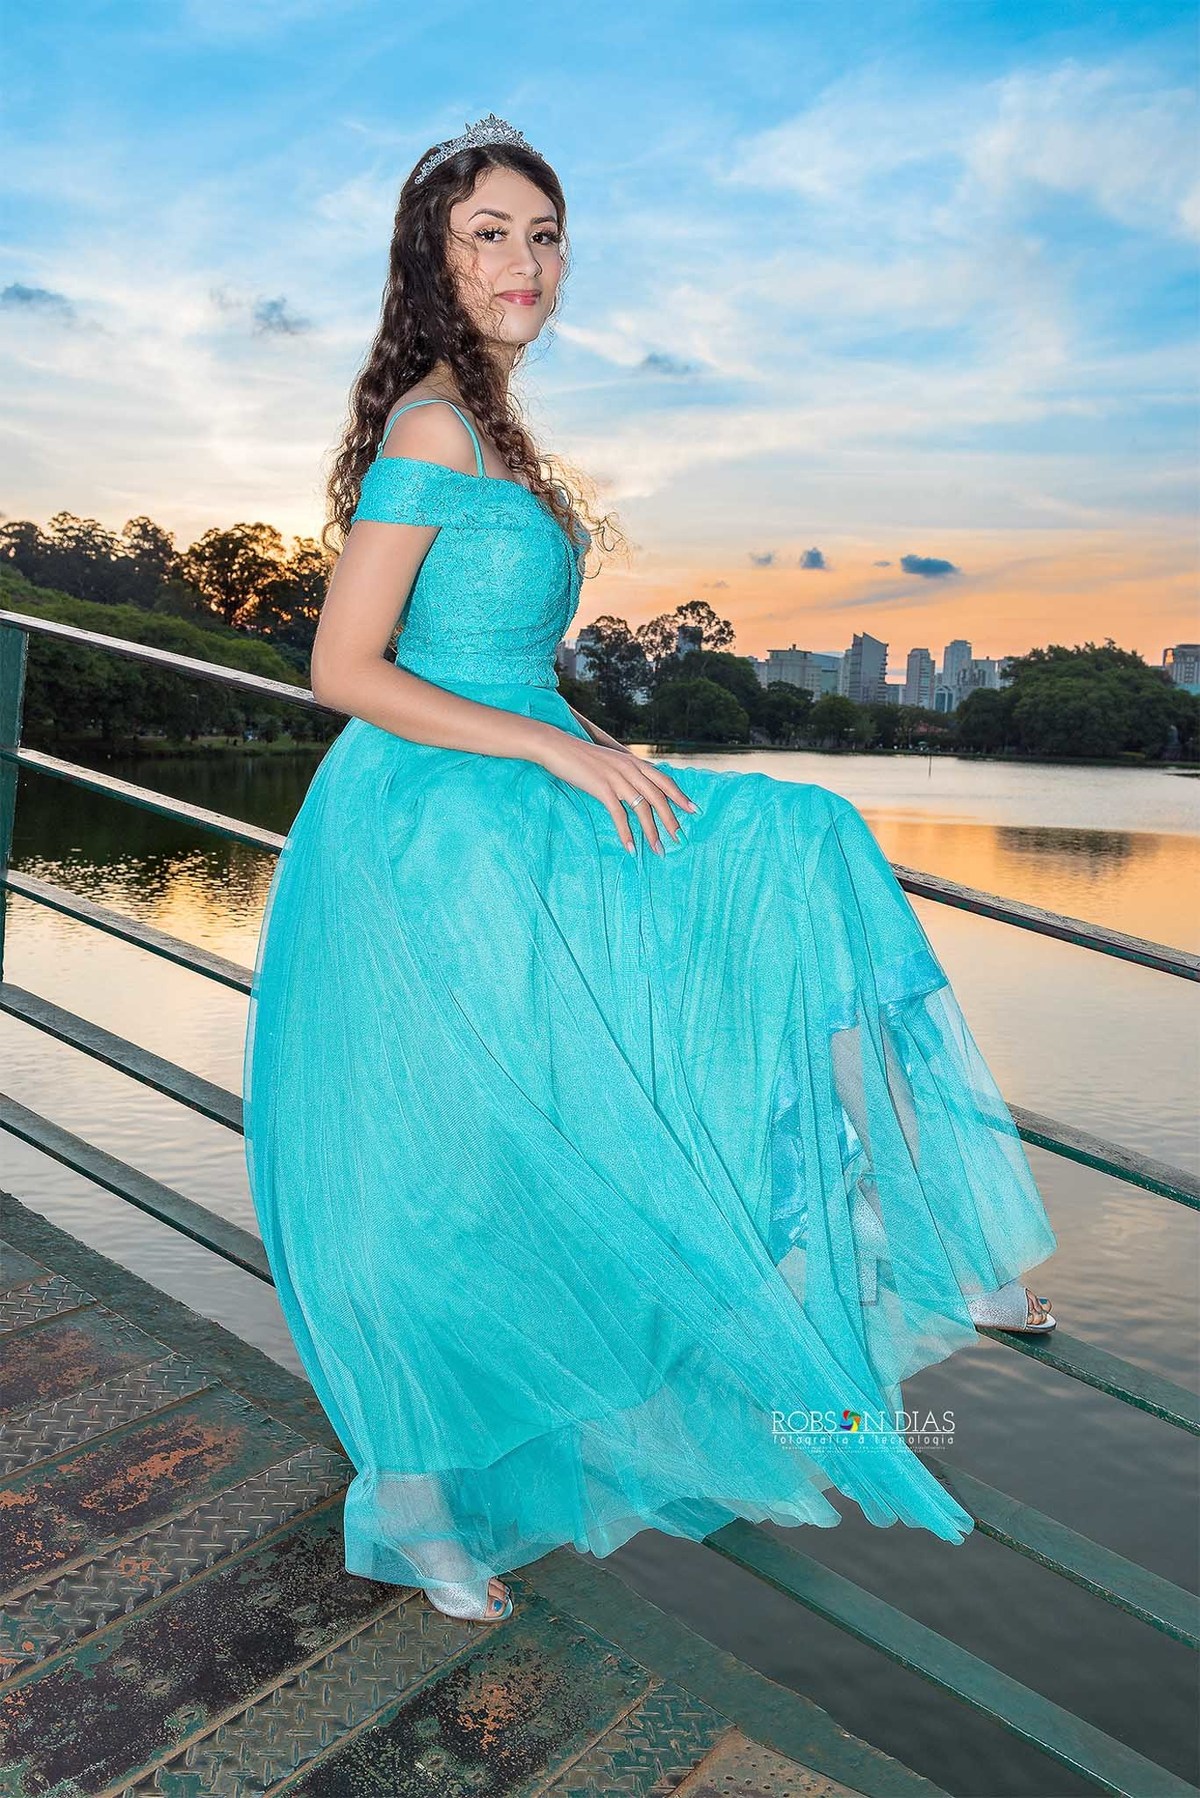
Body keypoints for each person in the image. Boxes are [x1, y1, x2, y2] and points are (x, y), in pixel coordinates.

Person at [242, 115, 1057, 1626]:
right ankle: (419, 1499)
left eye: (544, 236)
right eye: (490, 232)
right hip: (433, 830)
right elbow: (345, 666)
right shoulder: (431, 425)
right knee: (438, 1170)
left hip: (522, 782)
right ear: (433, 255)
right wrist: (557, 756)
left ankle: (883, 1198)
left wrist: (600, 745)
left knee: (793, 847)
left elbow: (498, 658)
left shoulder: (493, 425)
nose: (525, 263)